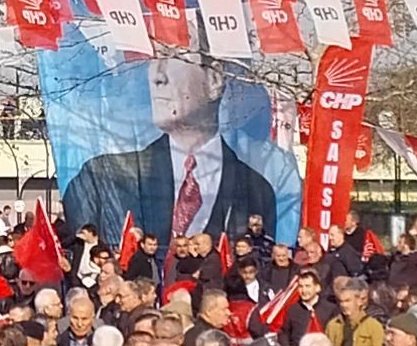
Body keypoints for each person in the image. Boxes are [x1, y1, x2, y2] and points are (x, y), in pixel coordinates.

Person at [61, 58, 278, 241]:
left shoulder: (256, 190)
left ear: (214, 79)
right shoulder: (100, 178)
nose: (156, 76)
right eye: (154, 57)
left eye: (171, 54)